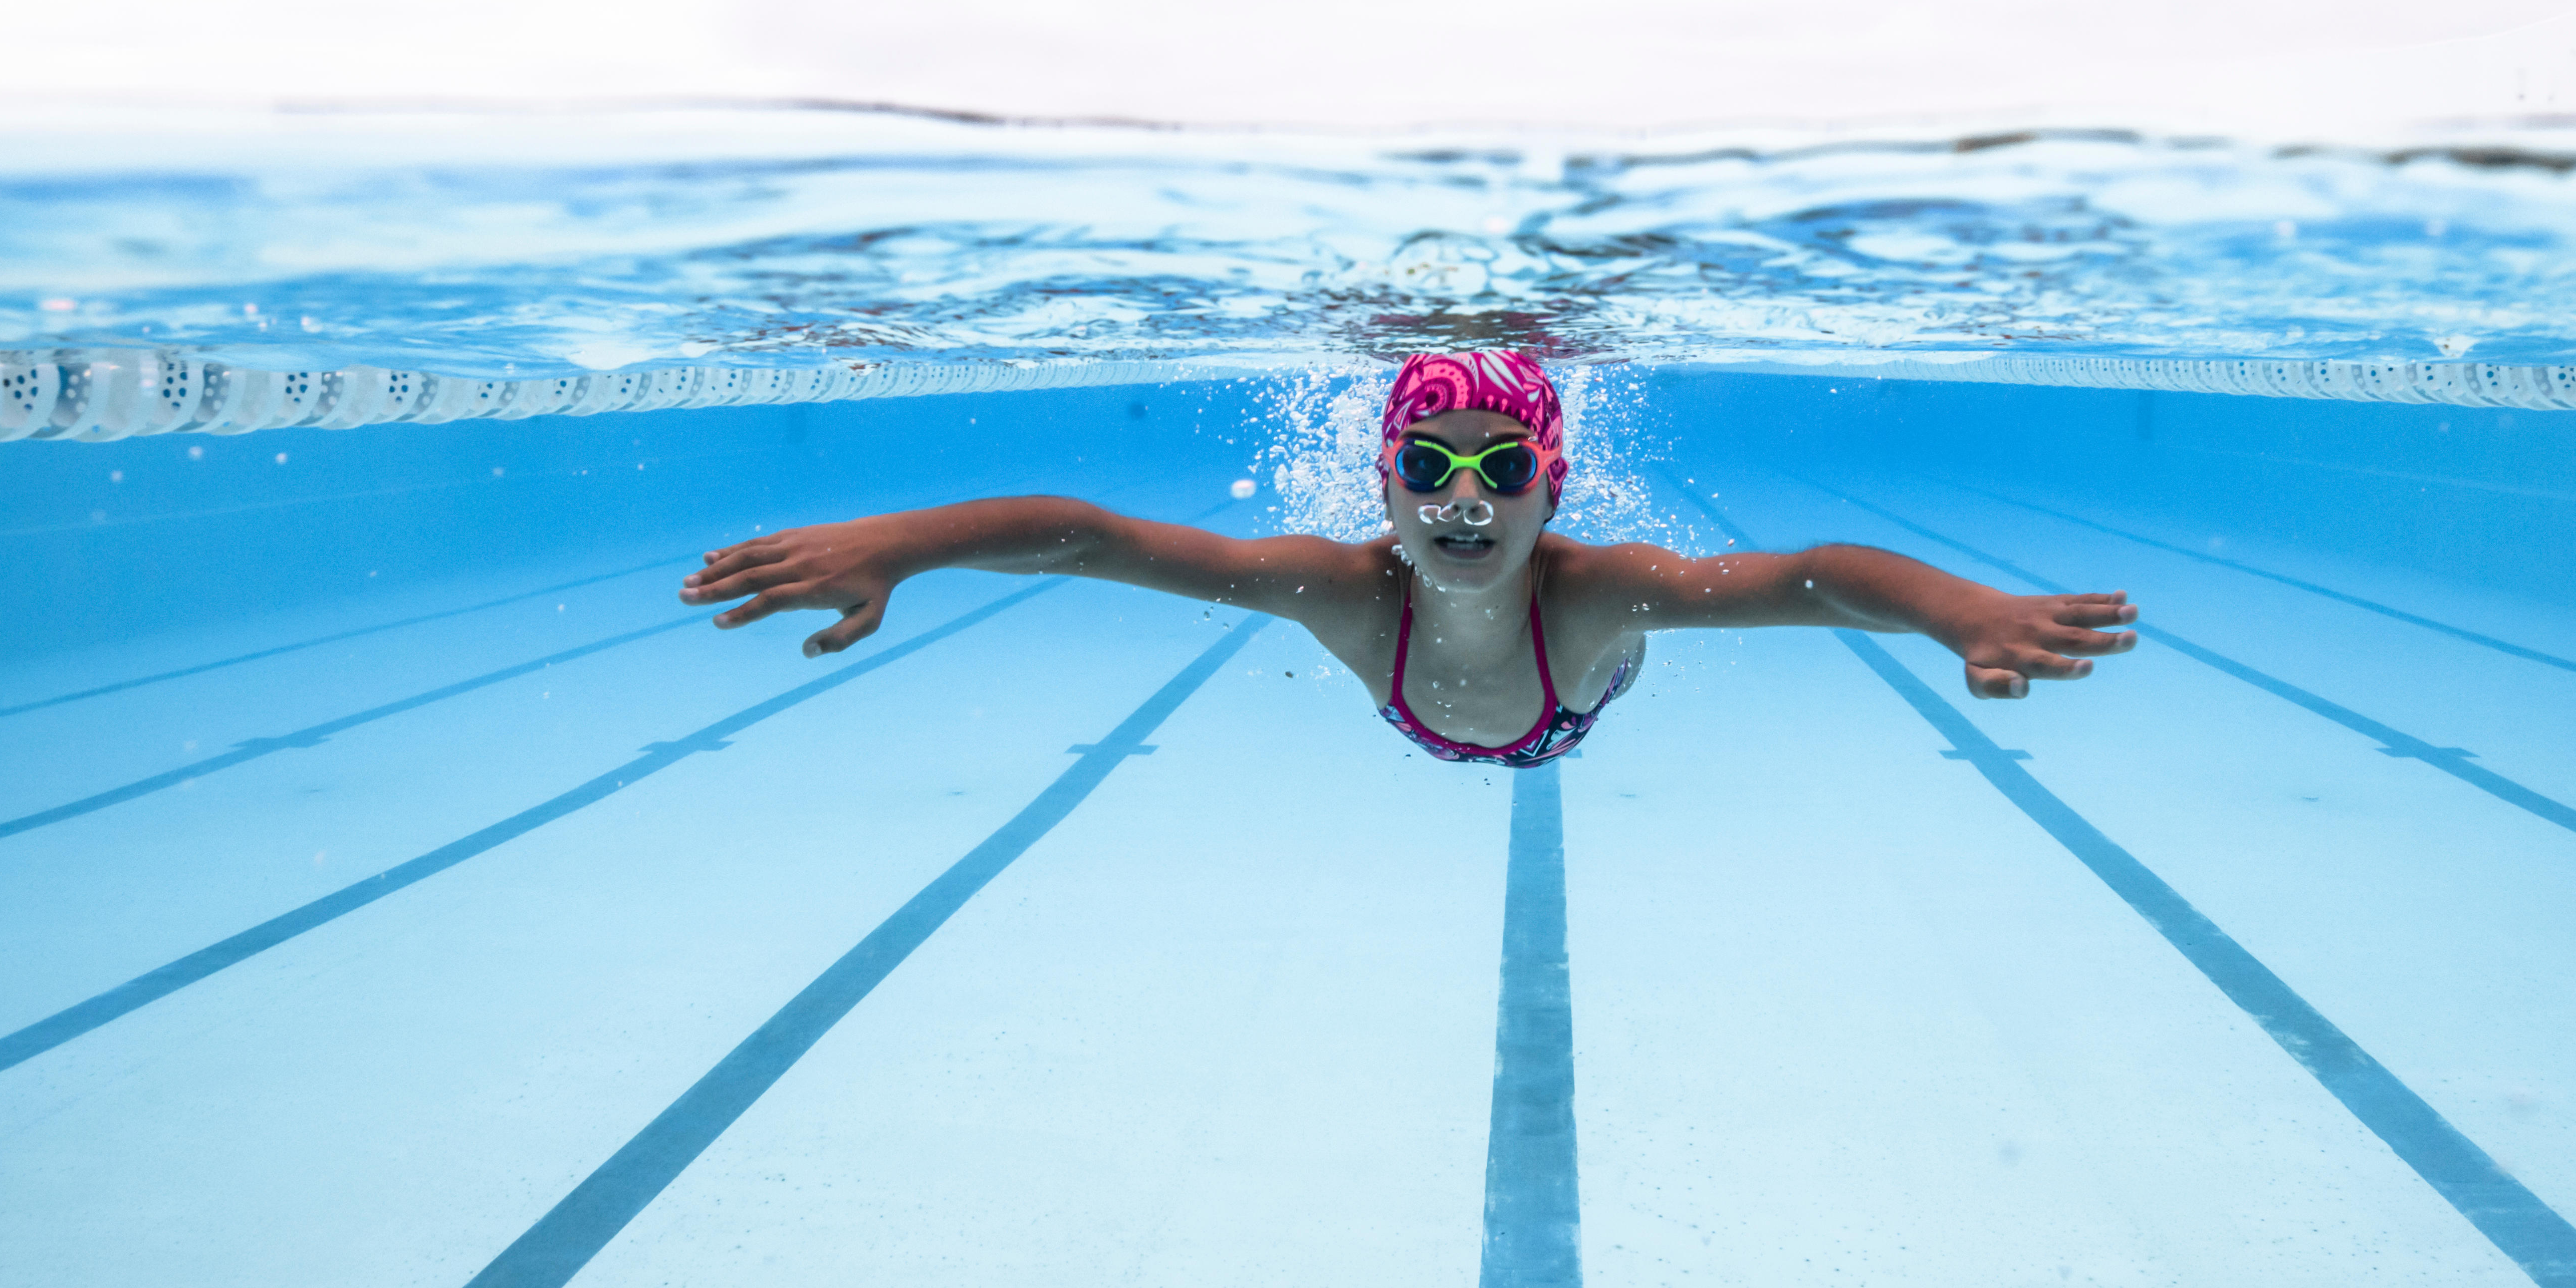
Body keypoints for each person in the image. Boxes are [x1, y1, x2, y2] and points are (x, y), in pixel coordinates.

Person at [677, 350, 2139, 768]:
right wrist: (902, 545)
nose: (1462, 495)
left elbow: (1809, 576)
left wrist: (1957, 614)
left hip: (1568, 707)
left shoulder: (1600, 584)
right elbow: (1096, 541)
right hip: (1413, 703)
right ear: (1382, 485)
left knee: (1635, 605)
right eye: (1427, 471)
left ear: (1544, 487)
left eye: (1500, 470)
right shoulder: (1336, 581)